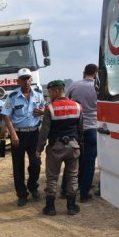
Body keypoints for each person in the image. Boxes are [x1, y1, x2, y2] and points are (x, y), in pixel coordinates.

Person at [36, 80, 83, 216]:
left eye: (50, 92)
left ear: (56, 91)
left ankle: (50, 208)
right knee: (72, 176)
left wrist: (39, 149)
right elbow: (80, 130)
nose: (49, 95)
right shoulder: (77, 107)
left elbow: (44, 132)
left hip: (55, 147)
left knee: (52, 177)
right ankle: (71, 207)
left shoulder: (50, 108)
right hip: (73, 146)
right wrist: (79, 144)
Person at [1, 68, 46, 207]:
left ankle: (33, 186)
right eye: (23, 78)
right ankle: (21, 194)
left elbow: (44, 110)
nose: (26, 81)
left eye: (28, 78)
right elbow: (5, 115)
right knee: (18, 166)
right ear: (18, 81)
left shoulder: (38, 94)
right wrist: (13, 133)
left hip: (34, 133)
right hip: (18, 134)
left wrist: (43, 111)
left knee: (36, 163)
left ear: (31, 80)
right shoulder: (12, 96)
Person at [61, 64, 98, 202]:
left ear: (84, 72)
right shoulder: (98, 87)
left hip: (76, 128)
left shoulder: (73, 85)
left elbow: (66, 101)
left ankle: (65, 189)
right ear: (96, 73)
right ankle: (84, 192)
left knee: (72, 159)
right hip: (92, 128)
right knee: (89, 162)